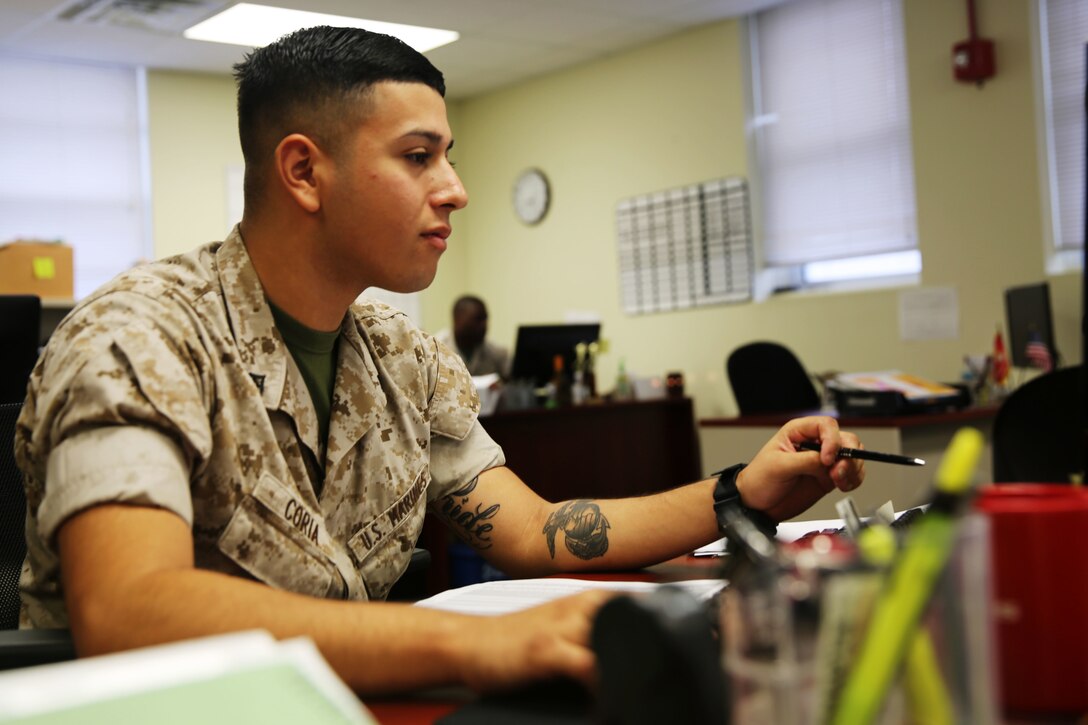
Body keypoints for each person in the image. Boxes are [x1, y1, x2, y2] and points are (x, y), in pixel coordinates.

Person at [13, 26, 865, 695]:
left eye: (447, 156)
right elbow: (128, 609)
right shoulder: (138, 338)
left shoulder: (396, 356)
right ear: (304, 171)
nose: (454, 187)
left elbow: (533, 531)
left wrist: (738, 495)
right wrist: (475, 641)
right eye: (420, 157)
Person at [436, 295, 511, 378]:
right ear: (458, 319)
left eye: (485, 319)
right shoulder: (436, 351)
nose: (484, 325)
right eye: (477, 319)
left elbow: (510, 378)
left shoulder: (495, 352)